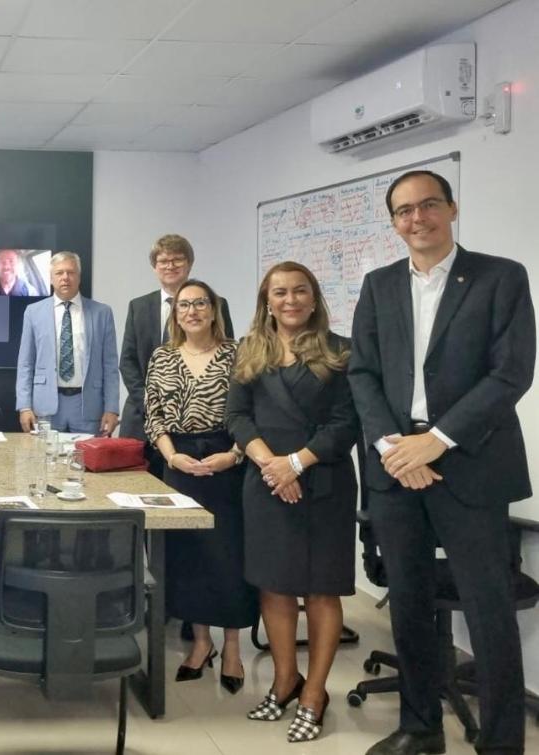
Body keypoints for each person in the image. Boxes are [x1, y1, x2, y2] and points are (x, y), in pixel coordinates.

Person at [349, 170, 535, 755]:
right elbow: (363, 373)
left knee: (487, 608)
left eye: (428, 205)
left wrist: (440, 440)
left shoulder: (500, 277)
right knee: (407, 600)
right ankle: (420, 726)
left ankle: (501, 742)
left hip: (470, 462)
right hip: (395, 465)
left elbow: (511, 371)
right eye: (403, 211)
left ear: (451, 209)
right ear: (394, 222)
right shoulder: (378, 285)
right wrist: (391, 447)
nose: (416, 218)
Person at [226, 260, 358, 743]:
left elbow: (347, 423)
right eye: (279, 292)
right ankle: (285, 680)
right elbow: (236, 416)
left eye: (299, 291)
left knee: (321, 590)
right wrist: (270, 466)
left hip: (324, 484)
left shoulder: (340, 350)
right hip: (265, 483)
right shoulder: (250, 349)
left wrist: (294, 464)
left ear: (314, 296)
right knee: (275, 587)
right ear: (266, 299)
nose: (290, 300)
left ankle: (315, 693)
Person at [142, 279, 257, 694]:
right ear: (176, 314)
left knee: (228, 556)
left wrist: (235, 454)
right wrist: (171, 456)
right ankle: (202, 642)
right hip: (179, 463)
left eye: (200, 304)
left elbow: (253, 412)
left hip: (227, 461)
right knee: (188, 557)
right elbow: (153, 414)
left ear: (214, 309)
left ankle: (231, 647)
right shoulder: (162, 357)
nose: (192, 311)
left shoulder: (238, 353)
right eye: (184, 305)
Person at [120, 234, 234, 479]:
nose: (170, 266)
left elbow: (226, 366)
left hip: (203, 437)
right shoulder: (138, 306)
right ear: (154, 267)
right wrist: (155, 406)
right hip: (143, 420)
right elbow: (127, 362)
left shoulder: (218, 304)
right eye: (163, 261)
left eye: (177, 260)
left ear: (189, 264)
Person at [16, 251, 119, 435]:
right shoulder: (33, 312)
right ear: (51, 278)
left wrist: (111, 408)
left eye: (71, 272)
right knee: (45, 461)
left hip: (88, 405)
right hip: (46, 406)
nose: (65, 278)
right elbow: (25, 363)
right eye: (59, 273)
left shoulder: (102, 313)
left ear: (79, 277)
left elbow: (110, 365)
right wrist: (24, 406)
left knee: (86, 462)